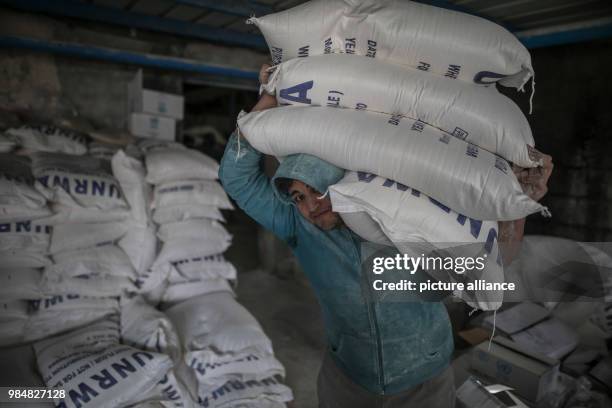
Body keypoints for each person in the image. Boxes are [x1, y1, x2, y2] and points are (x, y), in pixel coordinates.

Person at [218, 64, 553, 408]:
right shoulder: (299, 228)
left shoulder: (403, 216)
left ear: (343, 180)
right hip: (348, 378)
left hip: (426, 379)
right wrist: (272, 96)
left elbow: (496, 259)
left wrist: (518, 203)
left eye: (317, 190)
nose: (310, 208)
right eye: (298, 197)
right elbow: (236, 178)